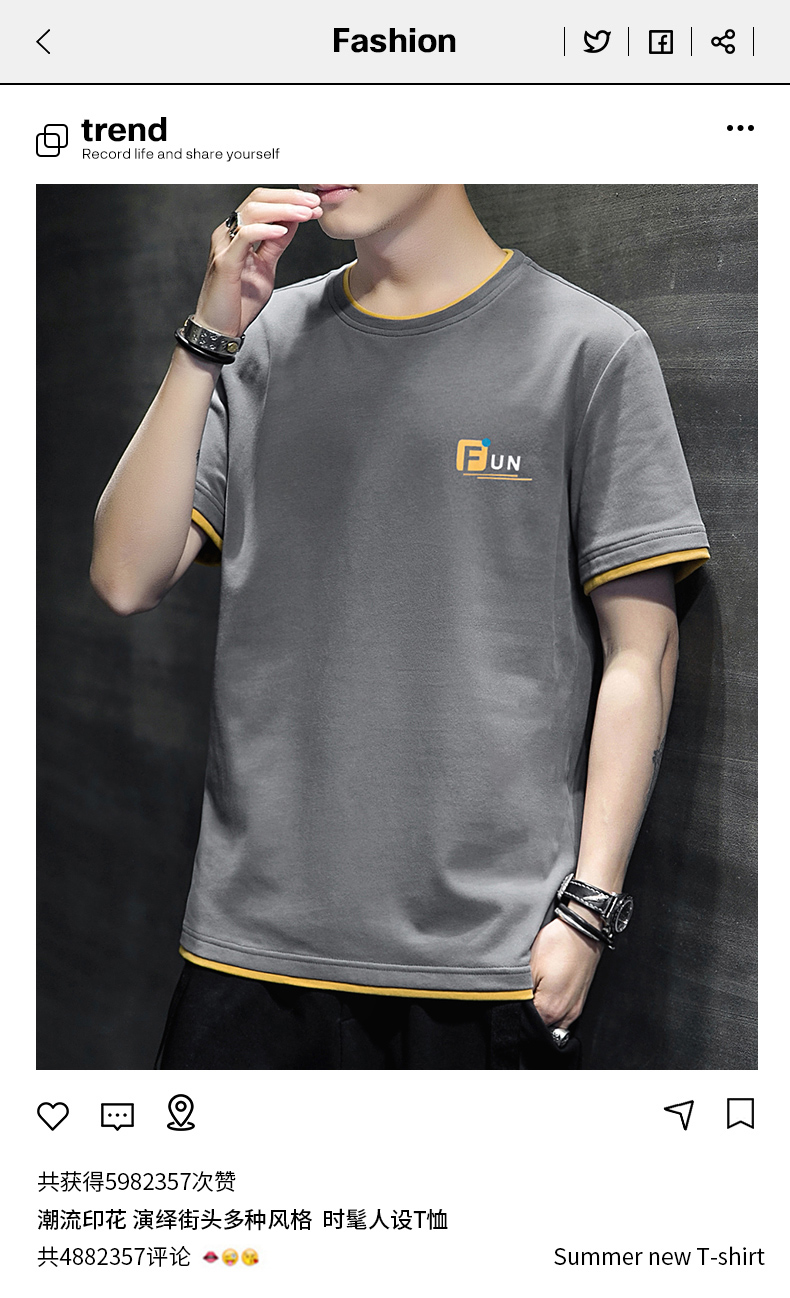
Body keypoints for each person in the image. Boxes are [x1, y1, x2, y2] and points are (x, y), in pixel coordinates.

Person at [90, 185, 709, 1070]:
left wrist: (588, 911)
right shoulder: (260, 341)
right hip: (249, 952)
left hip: (487, 965)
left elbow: (641, 655)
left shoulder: (589, 349)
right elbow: (125, 577)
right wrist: (206, 339)